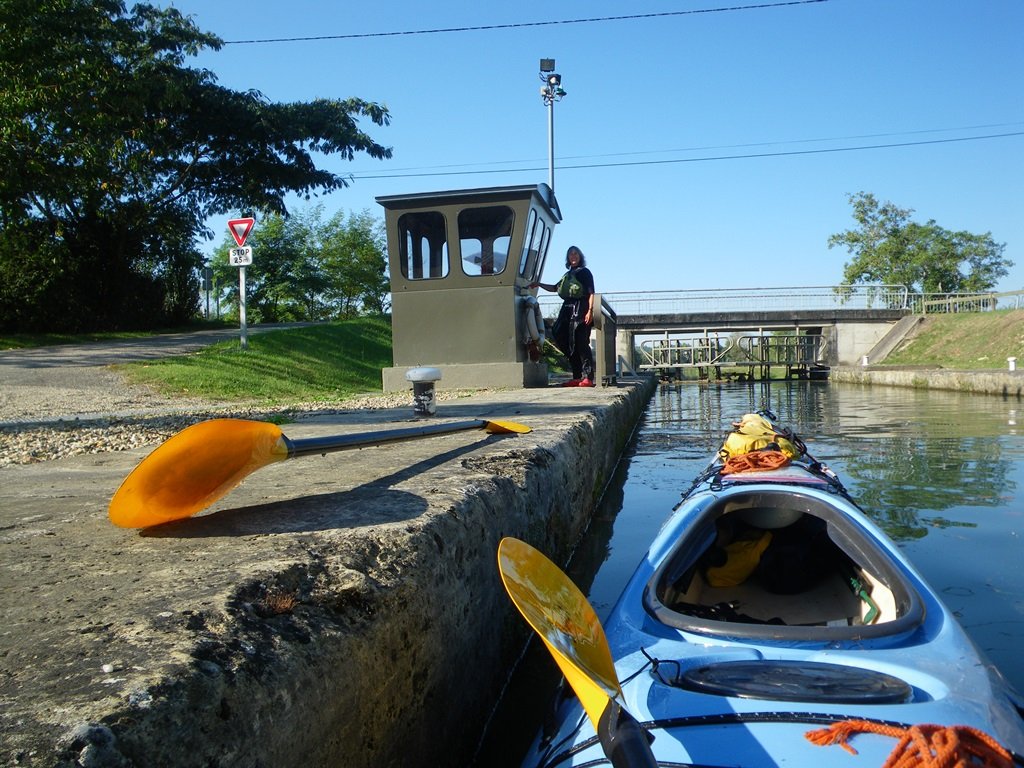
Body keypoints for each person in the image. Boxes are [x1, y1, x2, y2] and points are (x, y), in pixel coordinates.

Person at [530, 245, 596, 387]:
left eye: (576, 254)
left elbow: (591, 293)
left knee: (581, 342)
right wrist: (539, 284)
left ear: (580, 257)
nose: (573, 256)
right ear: (568, 258)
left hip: (581, 307)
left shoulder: (585, 272)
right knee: (562, 336)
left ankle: (588, 377)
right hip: (567, 308)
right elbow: (555, 288)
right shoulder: (567, 275)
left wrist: (590, 310)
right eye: (571, 254)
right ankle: (577, 376)